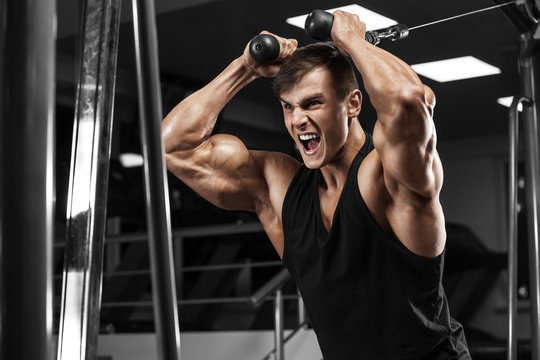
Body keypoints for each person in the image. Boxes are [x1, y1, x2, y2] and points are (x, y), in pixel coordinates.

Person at [162, 10, 470, 360]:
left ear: (353, 103)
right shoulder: (280, 188)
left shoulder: (384, 177)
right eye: (288, 107)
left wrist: (352, 42)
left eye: (313, 104)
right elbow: (174, 147)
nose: (297, 120)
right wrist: (245, 68)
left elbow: (407, 100)